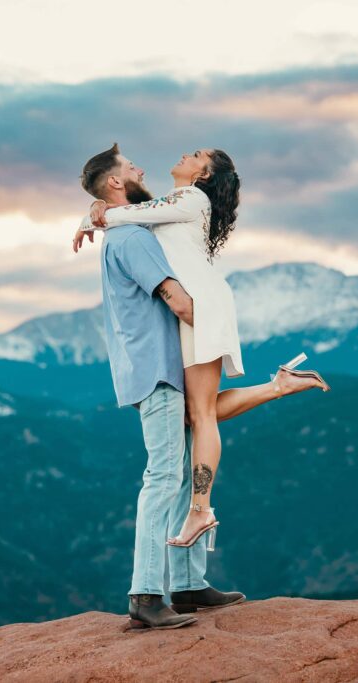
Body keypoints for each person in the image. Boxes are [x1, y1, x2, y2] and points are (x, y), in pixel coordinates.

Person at [77, 143, 329, 631]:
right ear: (114, 183)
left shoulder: (146, 220)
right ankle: (147, 594)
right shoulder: (134, 238)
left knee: (196, 430)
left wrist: (95, 214)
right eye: (130, 167)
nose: (142, 167)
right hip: (159, 365)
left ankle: (188, 583)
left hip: (161, 361)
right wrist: (98, 213)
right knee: (165, 475)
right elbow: (179, 302)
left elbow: (127, 215)